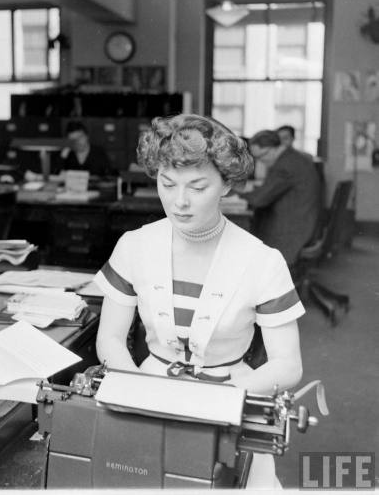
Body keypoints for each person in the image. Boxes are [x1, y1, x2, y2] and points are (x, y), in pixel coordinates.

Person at [93, 114, 304, 488]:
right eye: (167, 183)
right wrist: (135, 386)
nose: (179, 202)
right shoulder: (134, 246)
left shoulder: (262, 261)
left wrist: (219, 400)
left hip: (231, 394)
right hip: (148, 388)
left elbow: (288, 365)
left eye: (197, 187)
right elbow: (110, 338)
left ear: (226, 185)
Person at [240, 129, 321, 266]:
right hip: (304, 222)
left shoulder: (285, 165)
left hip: (293, 231)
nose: (261, 162)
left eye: (261, 156)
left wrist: (237, 191)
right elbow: (270, 190)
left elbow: (259, 199)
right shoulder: (292, 158)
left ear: (273, 148)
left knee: (245, 242)